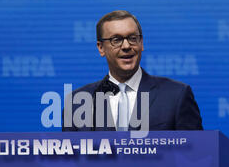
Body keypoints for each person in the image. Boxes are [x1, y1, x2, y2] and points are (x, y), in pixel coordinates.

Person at [62, 10, 203, 131]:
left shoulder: (176, 95)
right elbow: (69, 161)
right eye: (116, 40)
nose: (126, 46)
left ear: (141, 43)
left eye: (132, 38)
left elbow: (197, 155)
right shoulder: (77, 103)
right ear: (101, 48)